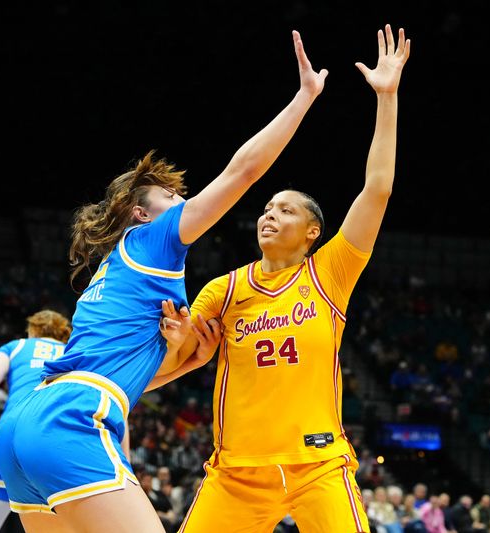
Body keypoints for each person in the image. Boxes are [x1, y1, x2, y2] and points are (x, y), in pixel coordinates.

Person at [0, 28, 330, 533]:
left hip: (28, 423)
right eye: (172, 200)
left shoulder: (110, 277)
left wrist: (188, 361)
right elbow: (242, 172)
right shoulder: (153, 239)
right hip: (73, 418)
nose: (182, 205)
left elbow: (125, 376)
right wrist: (304, 99)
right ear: (141, 214)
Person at [151, 23, 411, 533]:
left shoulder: (331, 272)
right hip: (236, 473)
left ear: (313, 231)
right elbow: (171, 365)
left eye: (286, 210)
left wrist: (387, 98)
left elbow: (377, 188)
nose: (269, 215)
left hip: (317, 466)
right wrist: (177, 343)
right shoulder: (223, 290)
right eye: (267, 207)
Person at [0, 310, 71, 533]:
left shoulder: (17, 346)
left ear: (32, 330)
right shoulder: (74, 352)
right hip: (58, 443)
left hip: (11, 437)